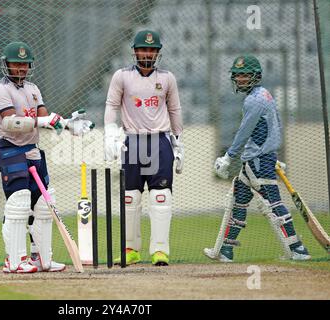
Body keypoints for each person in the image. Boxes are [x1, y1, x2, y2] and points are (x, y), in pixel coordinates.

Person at [0, 41, 93, 273]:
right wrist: (42, 121)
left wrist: (67, 125)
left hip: (33, 150)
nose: (21, 68)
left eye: (25, 64)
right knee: (19, 203)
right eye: (16, 64)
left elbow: (45, 118)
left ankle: (41, 258)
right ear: (6, 64)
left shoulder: (33, 89)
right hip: (10, 149)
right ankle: (14, 260)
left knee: (45, 205)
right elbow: (10, 122)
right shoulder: (0, 90)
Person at [204, 55, 310, 262]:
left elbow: (244, 132)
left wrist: (228, 156)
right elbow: (275, 125)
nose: (239, 79)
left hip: (258, 162)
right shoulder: (265, 95)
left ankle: (297, 248)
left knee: (274, 204)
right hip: (260, 159)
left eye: (244, 75)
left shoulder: (253, 100)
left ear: (255, 75)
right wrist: (273, 154)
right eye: (237, 75)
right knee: (238, 203)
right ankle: (226, 250)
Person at [104, 30, 184, 266]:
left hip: (159, 141)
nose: (147, 53)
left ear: (157, 53)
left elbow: (175, 110)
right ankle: (131, 249)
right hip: (133, 141)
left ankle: (160, 250)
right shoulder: (122, 76)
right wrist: (110, 133)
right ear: (135, 51)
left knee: (161, 197)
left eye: (152, 49)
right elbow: (111, 105)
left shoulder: (167, 78)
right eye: (143, 49)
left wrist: (179, 143)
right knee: (130, 198)